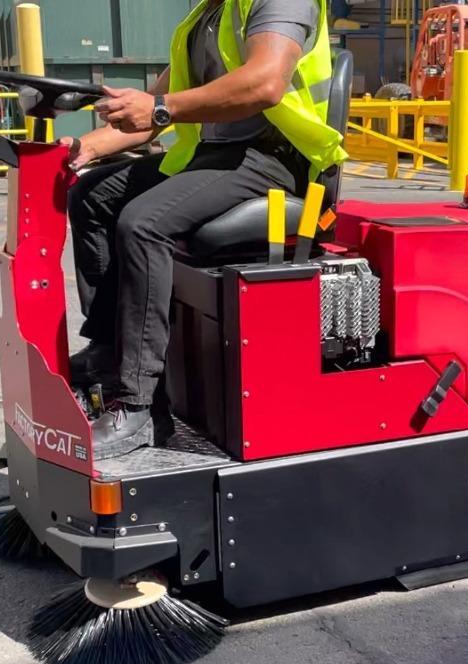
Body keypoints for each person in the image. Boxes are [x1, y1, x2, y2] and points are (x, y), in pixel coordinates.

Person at [64, 0, 346, 460]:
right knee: (92, 196)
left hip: (273, 158)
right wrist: (82, 148)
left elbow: (265, 83)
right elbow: (154, 111)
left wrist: (159, 108)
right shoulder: (206, 15)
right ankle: (110, 350)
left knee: (144, 223)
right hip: (217, 157)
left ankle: (139, 408)